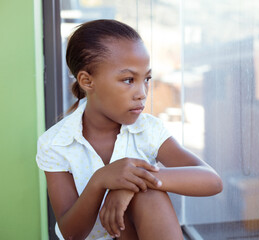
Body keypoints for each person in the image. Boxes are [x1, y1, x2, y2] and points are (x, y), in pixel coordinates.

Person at [36, 19, 223, 240]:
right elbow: (72, 234)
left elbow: (212, 180)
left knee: (149, 194)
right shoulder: (55, 143)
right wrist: (101, 180)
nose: (142, 93)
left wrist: (132, 183)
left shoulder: (148, 130)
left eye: (147, 79)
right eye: (128, 80)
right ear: (87, 81)